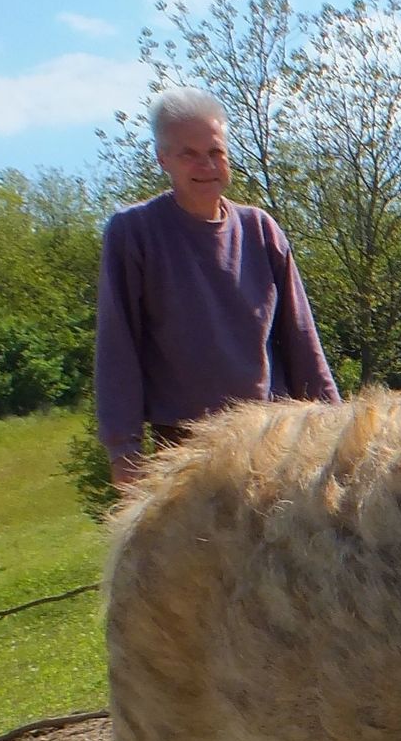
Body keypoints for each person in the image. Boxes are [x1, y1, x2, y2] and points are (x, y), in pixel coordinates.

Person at [95, 87, 341, 489]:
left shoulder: (260, 230)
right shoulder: (134, 232)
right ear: (163, 160)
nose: (206, 165)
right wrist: (124, 449)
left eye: (215, 152)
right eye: (188, 154)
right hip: (187, 450)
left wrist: (336, 427)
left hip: (273, 440)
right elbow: (117, 346)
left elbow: (301, 338)